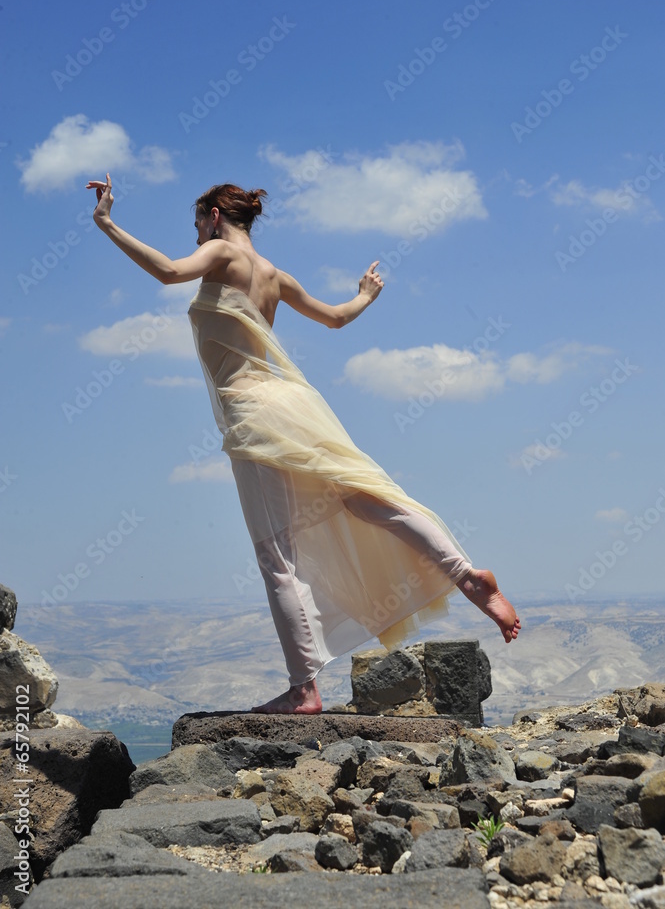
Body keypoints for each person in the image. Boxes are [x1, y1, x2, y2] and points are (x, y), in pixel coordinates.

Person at [86, 173, 520, 714]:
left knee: (276, 555)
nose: (196, 235)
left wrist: (107, 223)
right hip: (295, 404)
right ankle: (467, 575)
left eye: (197, 222)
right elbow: (334, 319)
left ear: (215, 217)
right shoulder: (275, 275)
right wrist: (364, 296)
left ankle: (303, 689)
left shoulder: (221, 252)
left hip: (254, 413)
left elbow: (169, 271)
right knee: (365, 497)